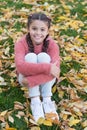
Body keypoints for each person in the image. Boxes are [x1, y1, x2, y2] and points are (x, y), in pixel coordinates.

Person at [14, 12, 60, 122]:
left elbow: (56, 72)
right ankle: (35, 101)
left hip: (37, 81)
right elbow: (20, 67)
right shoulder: (21, 43)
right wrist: (47, 68)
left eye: (42, 30)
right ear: (28, 28)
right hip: (24, 78)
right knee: (30, 56)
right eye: (34, 28)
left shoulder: (53, 45)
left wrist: (31, 81)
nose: (38, 33)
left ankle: (47, 100)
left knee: (43, 56)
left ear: (48, 31)